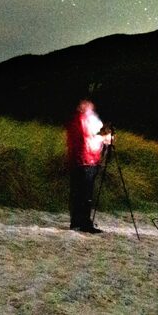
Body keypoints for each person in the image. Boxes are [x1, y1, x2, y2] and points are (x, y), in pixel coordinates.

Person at [65, 99, 112, 234]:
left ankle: (77, 222)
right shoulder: (85, 120)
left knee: (77, 193)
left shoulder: (75, 120)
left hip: (78, 161)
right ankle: (84, 222)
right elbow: (88, 139)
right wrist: (104, 137)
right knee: (85, 193)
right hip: (87, 161)